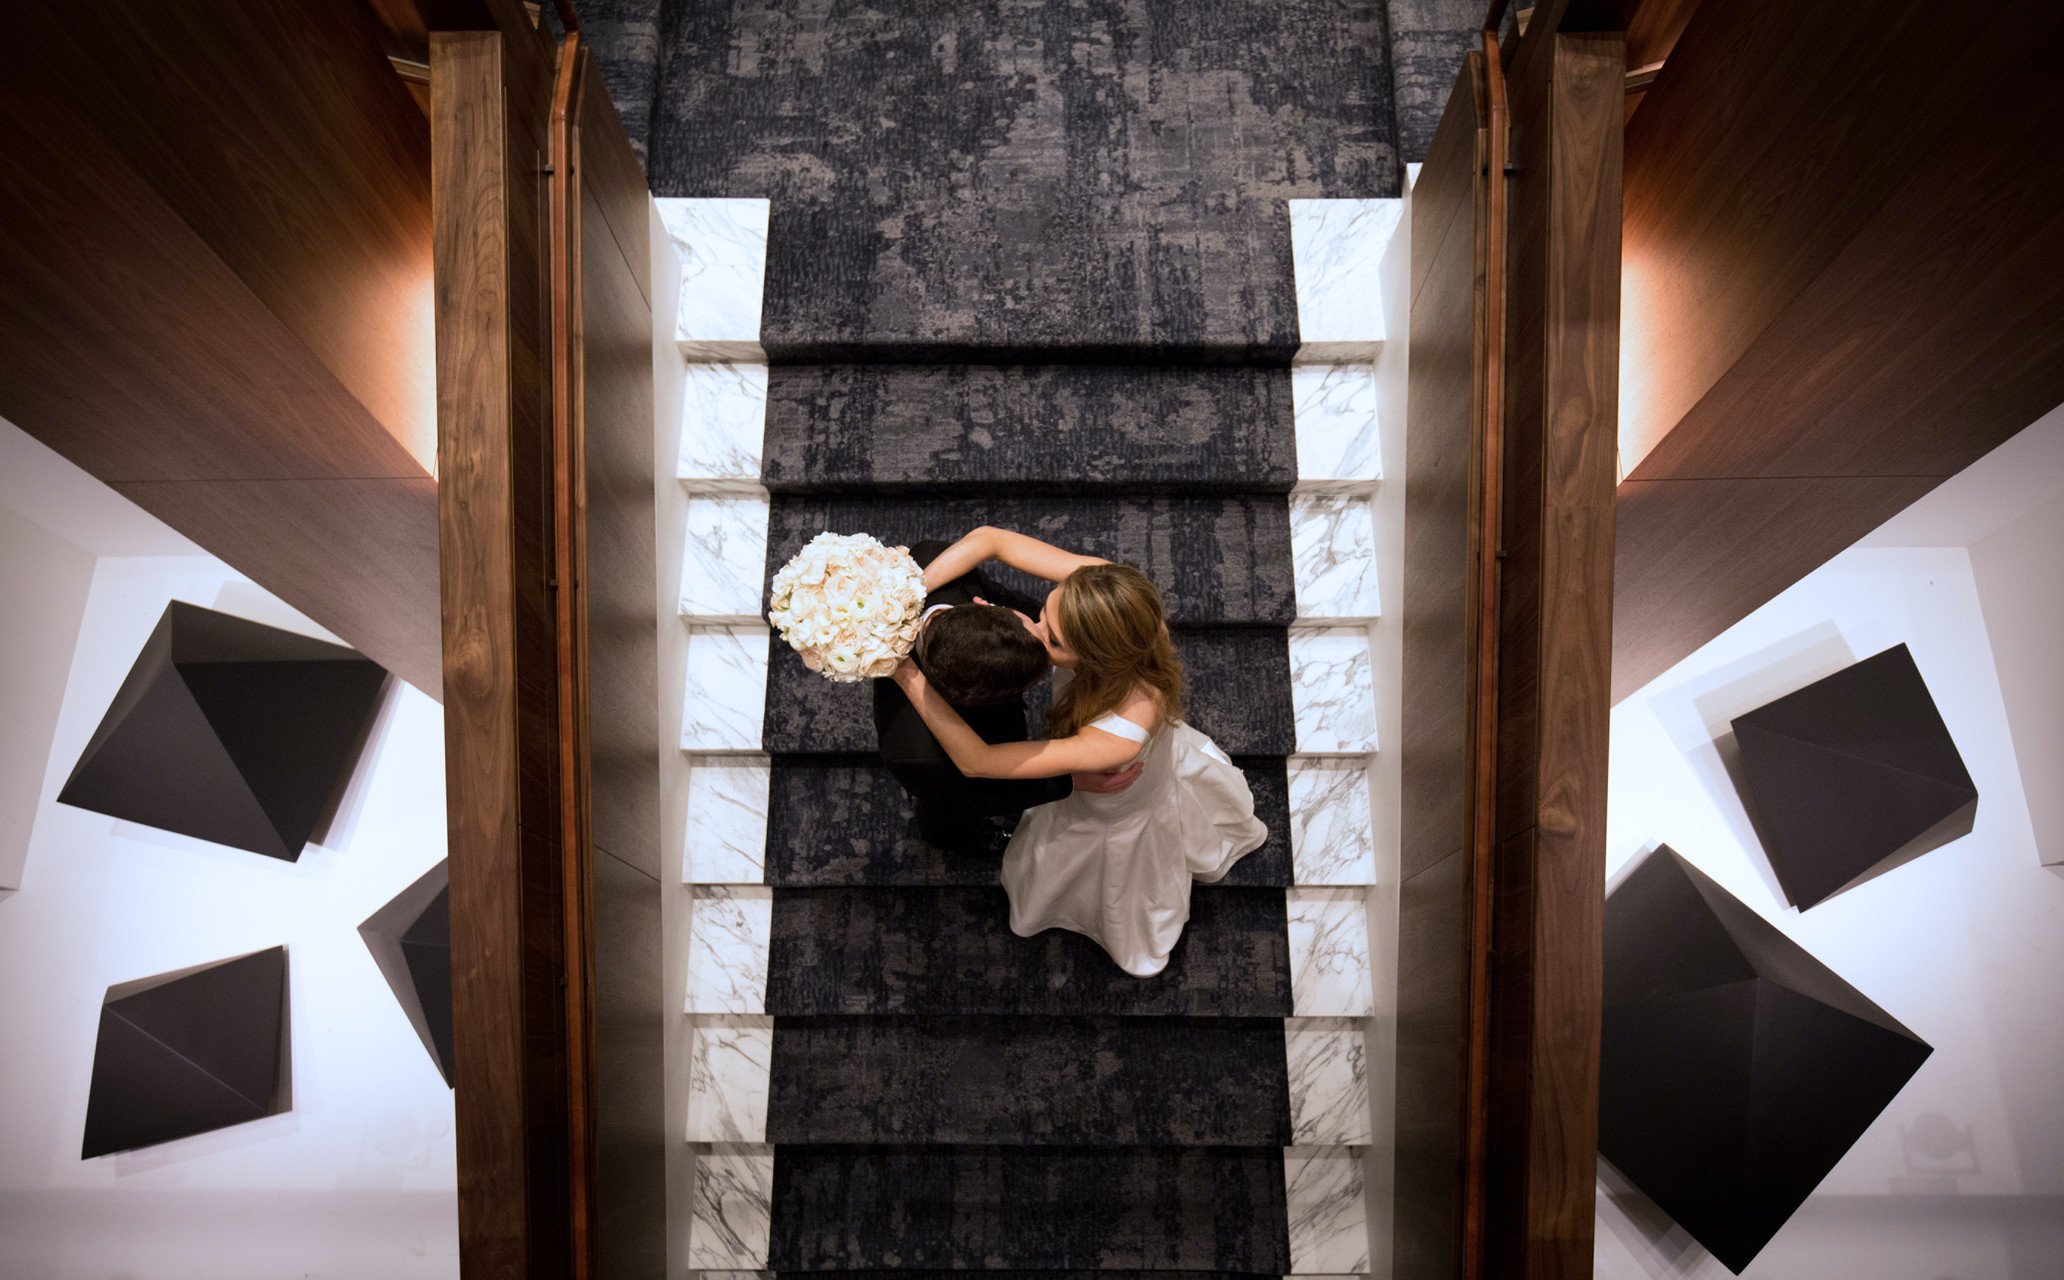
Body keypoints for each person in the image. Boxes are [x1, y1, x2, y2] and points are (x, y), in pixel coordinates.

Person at [889, 532, 1266, 976]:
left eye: (1052, 640)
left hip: (1112, 804)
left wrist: (905, 672)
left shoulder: (1121, 735)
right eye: (1045, 612)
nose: (1028, 629)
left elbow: (978, 762)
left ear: (1099, 658)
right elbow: (991, 540)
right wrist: (902, 599)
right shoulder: (1108, 597)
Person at [873, 534, 1141, 852]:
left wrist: (907, 595)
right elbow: (976, 774)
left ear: (984, 606)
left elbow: (993, 543)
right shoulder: (917, 754)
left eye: (1051, 634)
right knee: (945, 812)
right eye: (1049, 634)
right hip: (951, 780)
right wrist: (905, 675)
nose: (1040, 633)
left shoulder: (934, 561)